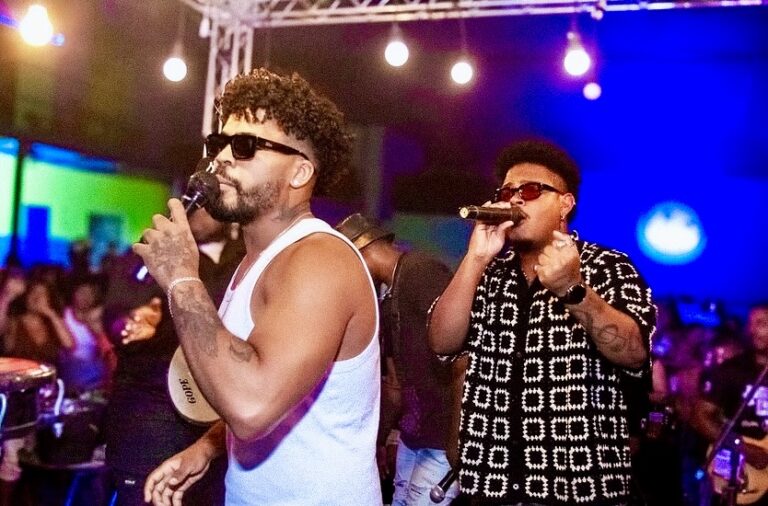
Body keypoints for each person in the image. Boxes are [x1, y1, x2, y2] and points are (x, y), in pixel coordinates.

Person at [136, 68, 381, 506]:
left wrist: (182, 278)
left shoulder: (319, 260)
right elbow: (281, 392)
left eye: (245, 146)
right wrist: (207, 447)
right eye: (219, 143)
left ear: (300, 171)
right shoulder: (258, 260)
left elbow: (252, 407)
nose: (221, 159)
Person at [427, 139, 656, 505]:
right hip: (491, 489)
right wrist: (475, 259)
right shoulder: (488, 273)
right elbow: (442, 342)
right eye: (507, 192)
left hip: (576, 490)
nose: (515, 200)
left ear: (565, 203)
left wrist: (573, 291)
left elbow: (634, 353)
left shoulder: (608, 266)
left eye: (531, 190)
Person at [102, 206, 244, 506]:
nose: (197, 213)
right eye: (194, 204)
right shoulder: (149, 251)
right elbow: (116, 315)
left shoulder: (245, 255)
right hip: (151, 419)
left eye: (209, 205)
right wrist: (129, 323)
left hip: (218, 423)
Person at [336, 213, 461, 505]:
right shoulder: (387, 297)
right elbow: (394, 384)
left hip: (441, 436)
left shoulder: (420, 271)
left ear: (361, 251)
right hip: (413, 434)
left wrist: (458, 437)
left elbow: (463, 357)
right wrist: (380, 441)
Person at [692, 302, 768, 506]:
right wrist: (744, 449)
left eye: (762, 323)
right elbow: (700, 416)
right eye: (751, 323)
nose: (753, 330)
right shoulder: (731, 370)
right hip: (740, 466)